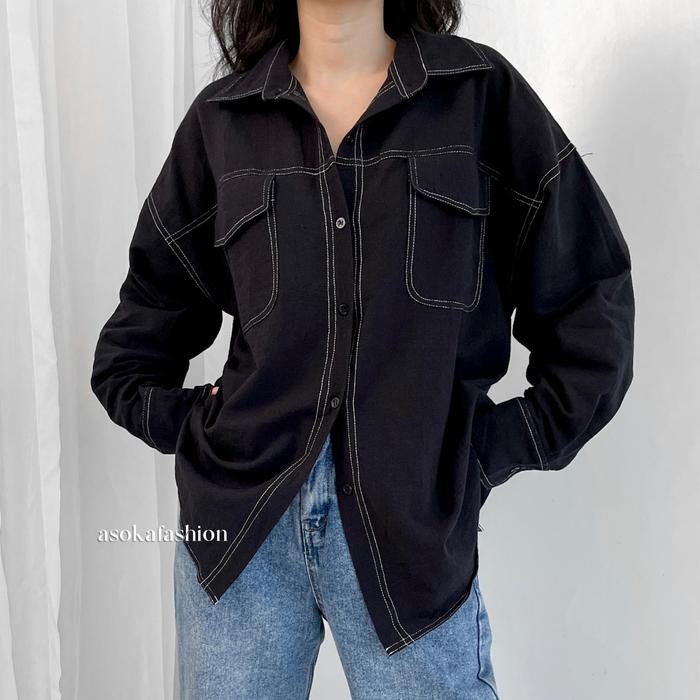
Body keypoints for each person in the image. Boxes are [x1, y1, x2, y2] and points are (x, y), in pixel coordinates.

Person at [90, 0, 635, 697]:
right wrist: (201, 429)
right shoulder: (222, 122)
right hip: (239, 544)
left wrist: (485, 449)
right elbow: (133, 347)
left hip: (411, 545)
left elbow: (592, 299)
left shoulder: (478, 98)